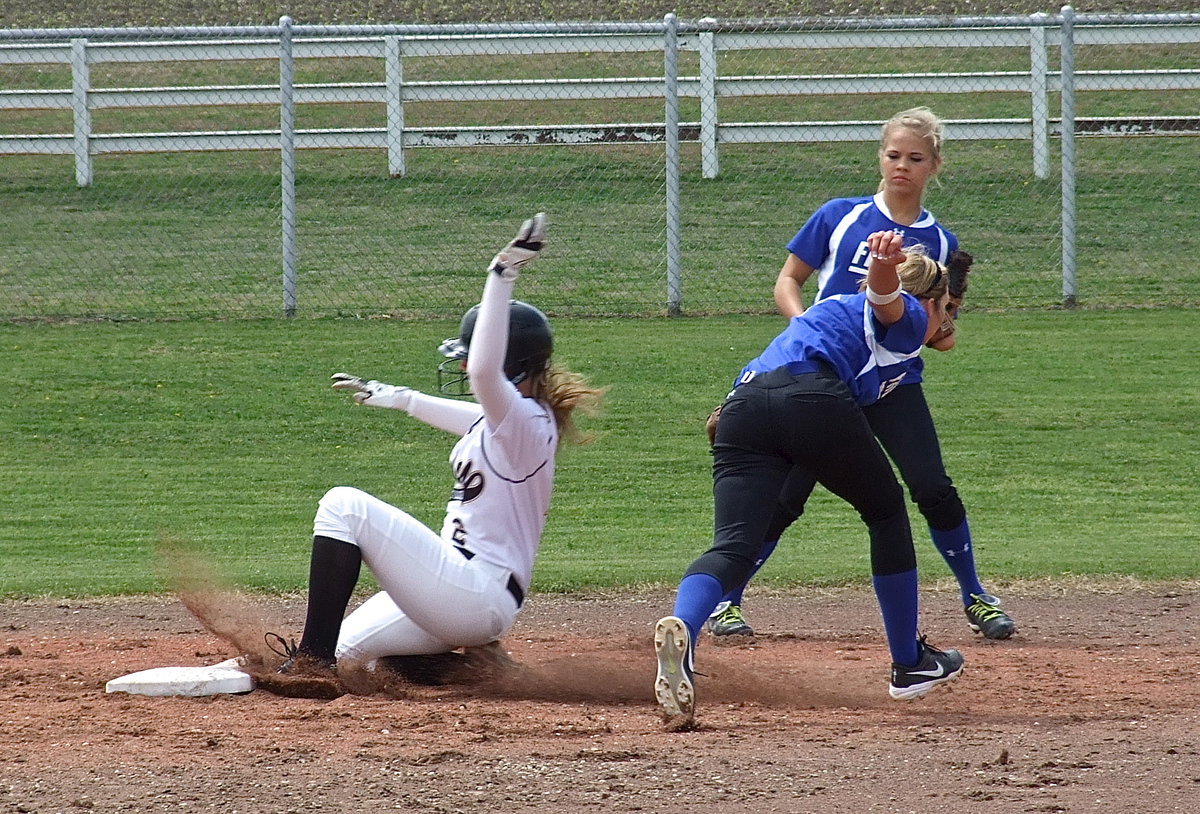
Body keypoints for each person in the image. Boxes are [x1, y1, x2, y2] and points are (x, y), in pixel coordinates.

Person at [706, 106, 1015, 643]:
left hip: (892, 381)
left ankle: (975, 594)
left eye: (916, 158)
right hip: (824, 379)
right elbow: (787, 280)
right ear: (880, 155)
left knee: (931, 486)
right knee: (783, 498)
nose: (902, 166)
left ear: (935, 165)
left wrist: (944, 325)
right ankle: (727, 601)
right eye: (894, 155)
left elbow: (941, 334)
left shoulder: (940, 241)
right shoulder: (841, 215)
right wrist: (808, 332)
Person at [267, 213, 602, 678]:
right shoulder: (519, 421)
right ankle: (474, 668)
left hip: (471, 593)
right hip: (457, 595)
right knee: (353, 657)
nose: (465, 367)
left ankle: (312, 664)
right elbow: (469, 415)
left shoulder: (523, 421)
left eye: (467, 357)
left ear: (512, 365)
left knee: (343, 507)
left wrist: (501, 273)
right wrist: (402, 399)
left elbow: (485, 372)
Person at [655, 230, 965, 723]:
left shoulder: (829, 310)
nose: (947, 317)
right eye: (946, 304)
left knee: (733, 545)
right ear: (927, 300)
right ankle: (910, 664)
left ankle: (683, 634)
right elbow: (886, 298)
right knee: (885, 512)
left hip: (743, 403)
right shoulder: (908, 314)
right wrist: (885, 264)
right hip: (812, 395)